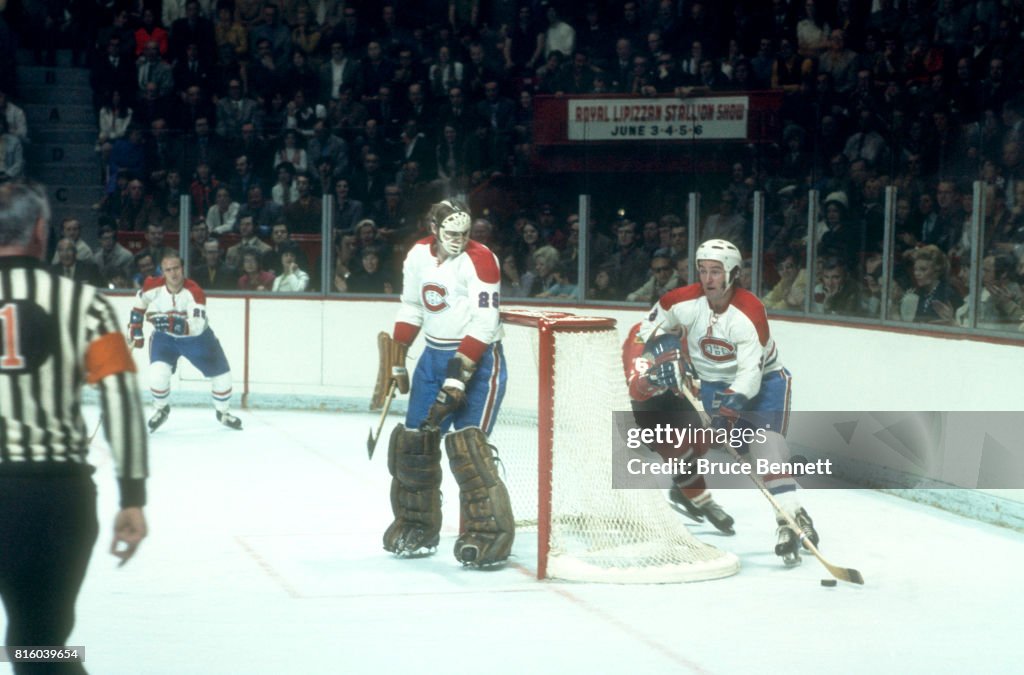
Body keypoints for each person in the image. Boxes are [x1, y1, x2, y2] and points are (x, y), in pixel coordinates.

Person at [0, 180, 148, 666]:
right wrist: (132, 497)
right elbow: (122, 397)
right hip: (52, 497)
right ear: (41, 231)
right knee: (39, 640)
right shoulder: (85, 303)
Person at [635, 239, 820, 565]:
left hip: (765, 384)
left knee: (766, 450)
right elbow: (646, 331)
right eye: (703, 270)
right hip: (713, 383)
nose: (708, 279)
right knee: (740, 453)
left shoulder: (749, 313)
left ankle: (786, 523)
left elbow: (750, 375)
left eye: (716, 272)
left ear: (733, 273)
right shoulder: (680, 302)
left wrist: (727, 410)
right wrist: (660, 356)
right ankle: (797, 513)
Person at [376, 199, 514, 567]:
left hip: (478, 359)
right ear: (434, 228)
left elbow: (485, 324)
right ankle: (417, 525)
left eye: (464, 234)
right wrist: (397, 356)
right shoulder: (418, 255)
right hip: (433, 357)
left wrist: (457, 379)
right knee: (414, 447)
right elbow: (411, 306)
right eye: (451, 233)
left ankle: (488, 533)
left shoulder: (482, 260)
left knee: (469, 449)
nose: (458, 239)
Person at [621, 324, 735, 534]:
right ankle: (704, 501)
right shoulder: (642, 334)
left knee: (702, 439)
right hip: (642, 405)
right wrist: (653, 379)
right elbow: (635, 388)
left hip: (675, 397)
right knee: (678, 448)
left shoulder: (698, 333)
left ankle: (683, 490)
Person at [128, 252, 243, 432]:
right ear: (163, 271)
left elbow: (196, 326)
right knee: (157, 375)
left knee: (223, 377)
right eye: (168, 270)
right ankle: (161, 409)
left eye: (176, 269)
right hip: (165, 339)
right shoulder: (153, 286)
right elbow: (139, 303)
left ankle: (223, 413)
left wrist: (169, 322)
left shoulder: (195, 292)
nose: (173, 274)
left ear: (182, 269)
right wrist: (136, 328)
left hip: (197, 340)